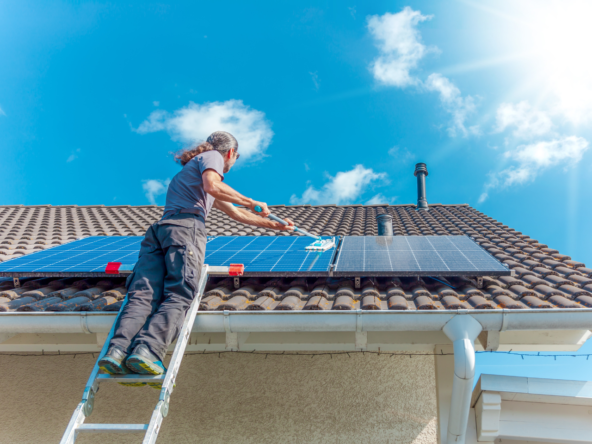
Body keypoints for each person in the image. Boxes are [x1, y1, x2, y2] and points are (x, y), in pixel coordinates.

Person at [99, 131, 294, 379]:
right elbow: (214, 185)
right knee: (180, 292)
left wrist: (276, 226)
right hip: (185, 229)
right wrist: (251, 200)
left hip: (160, 231)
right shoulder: (212, 157)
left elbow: (235, 213)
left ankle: (117, 351)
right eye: (233, 160)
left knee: (143, 295)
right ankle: (147, 351)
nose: (230, 166)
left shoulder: (189, 172)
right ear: (230, 153)